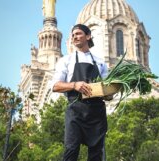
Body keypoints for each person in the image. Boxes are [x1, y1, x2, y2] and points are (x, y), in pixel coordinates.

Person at [52, 24, 109, 161]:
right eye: (73, 35)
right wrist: (74, 85)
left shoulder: (101, 63)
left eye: (78, 34)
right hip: (76, 111)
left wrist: (111, 93)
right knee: (71, 149)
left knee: (97, 154)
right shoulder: (66, 60)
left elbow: (107, 91)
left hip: (97, 113)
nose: (74, 37)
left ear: (88, 36)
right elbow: (55, 86)